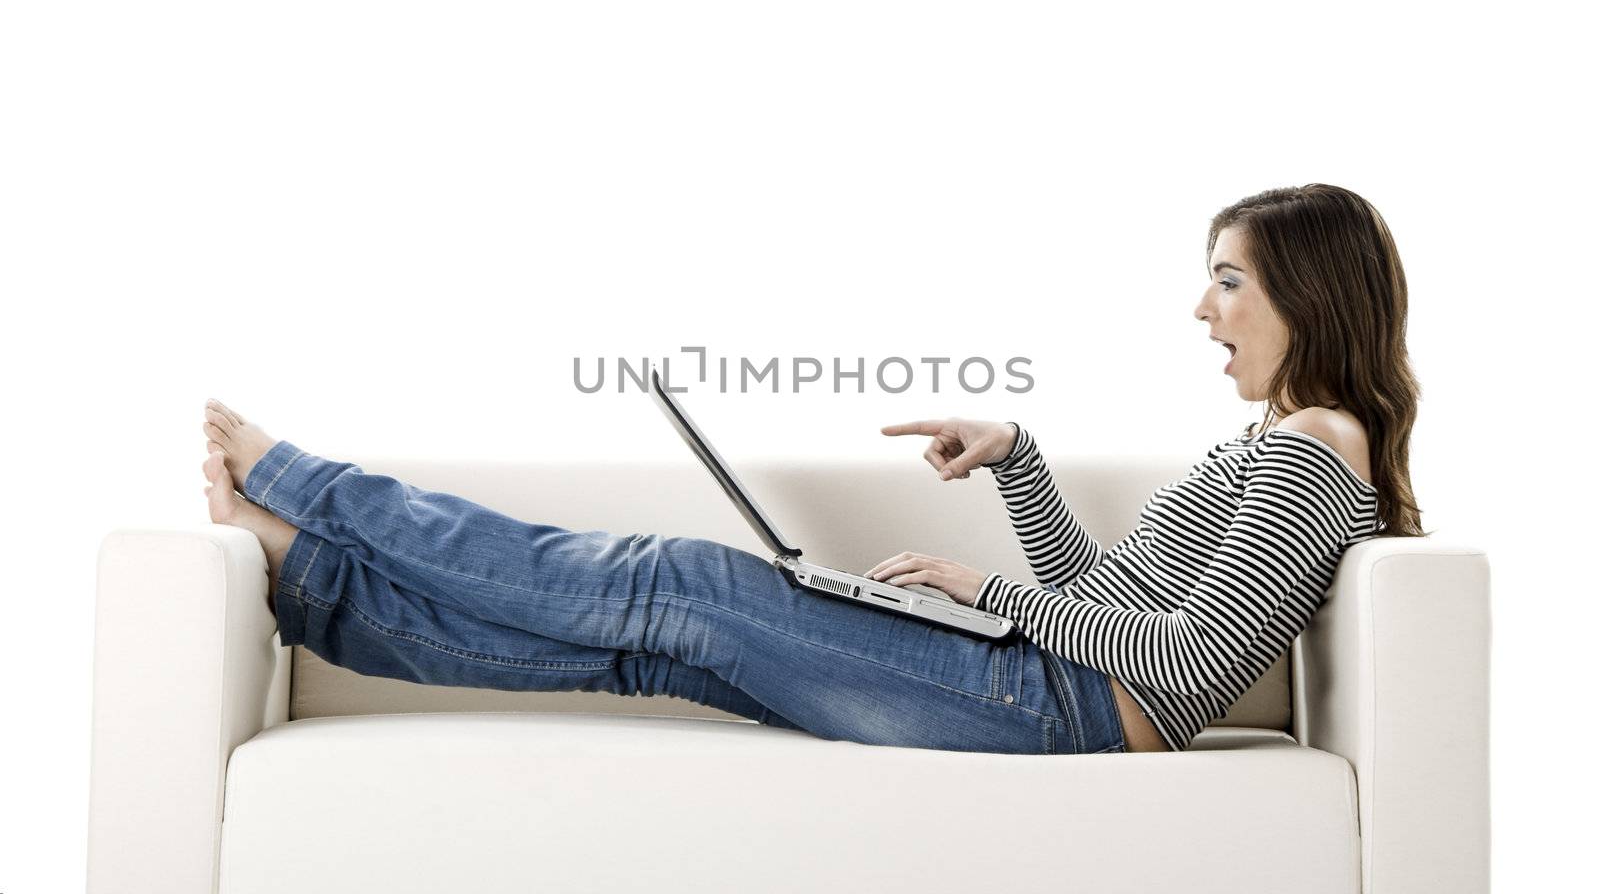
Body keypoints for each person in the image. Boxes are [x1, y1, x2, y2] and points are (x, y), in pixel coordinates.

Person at [200, 182, 1425, 754]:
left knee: (673, 579)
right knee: (646, 642)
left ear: (1307, 293)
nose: (1201, 309)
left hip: (1047, 707)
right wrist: (1018, 465)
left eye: (1227, 278)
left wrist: (978, 590)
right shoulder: (1283, 443)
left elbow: (1185, 667)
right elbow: (1124, 607)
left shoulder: (1319, 457)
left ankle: (308, 488)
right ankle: (312, 577)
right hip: (1044, 687)